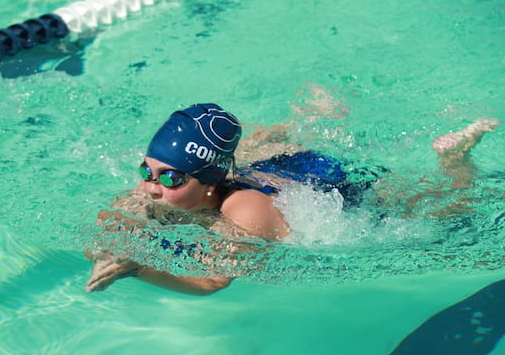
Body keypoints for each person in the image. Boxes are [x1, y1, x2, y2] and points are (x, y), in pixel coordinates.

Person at [85, 101, 499, 295]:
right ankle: (310, 119)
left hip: (333, 190)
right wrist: (108, 245)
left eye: (170, 178)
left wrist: (137, 268)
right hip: (283, 168)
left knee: (448, 210)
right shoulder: (156, 190)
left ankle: (456, 159)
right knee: (261, 147)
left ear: (209, 182)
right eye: (146, 170)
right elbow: (107, 224)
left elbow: (211, 281)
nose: (150, 187)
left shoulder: (243, 212)